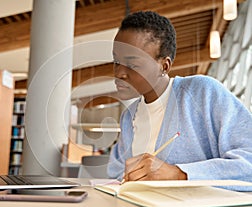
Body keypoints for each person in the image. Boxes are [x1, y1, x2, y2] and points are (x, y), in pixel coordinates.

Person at [107, 11, 252, 191]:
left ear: (164, 66)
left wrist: (178, 174)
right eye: (116, 61)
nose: (119, 73)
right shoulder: (129, 117)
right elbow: (115, 174)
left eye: (132, 64)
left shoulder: (202, 92)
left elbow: (249, 162)